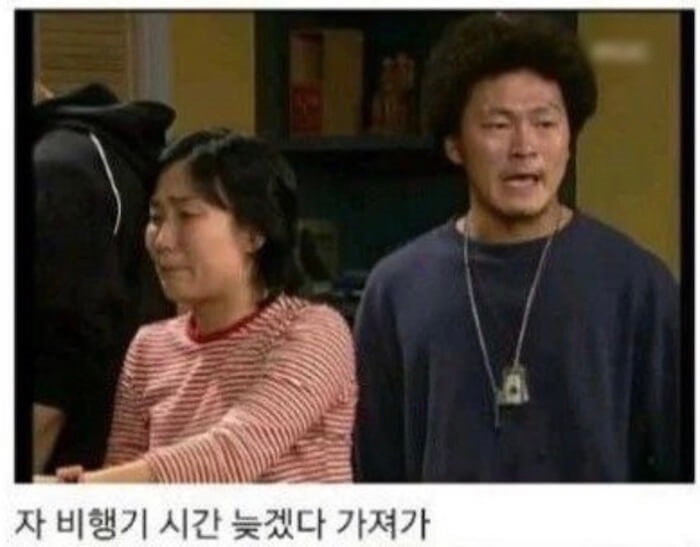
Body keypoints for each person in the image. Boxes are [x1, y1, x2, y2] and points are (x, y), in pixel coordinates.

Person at [353, 13, 680, 482]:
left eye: (545, 123)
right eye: (498, 125)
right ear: (454, 144)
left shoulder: (639, 285)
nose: (525, 147)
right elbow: (377, 474)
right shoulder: (396, 290)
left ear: (570, 140)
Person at [54, 129, 357, 483]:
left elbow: (235, 452)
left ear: (253, 232)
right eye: (156, 218)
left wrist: (94, 486)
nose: (162, 240)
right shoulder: (149, 347)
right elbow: (124, 473)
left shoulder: (314, 331)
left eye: (187, 215)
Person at [33, 83, 176, 475]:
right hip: (112, 456)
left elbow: (54, 364)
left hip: (72, 464)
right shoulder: (98, 152)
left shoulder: (54, 170)